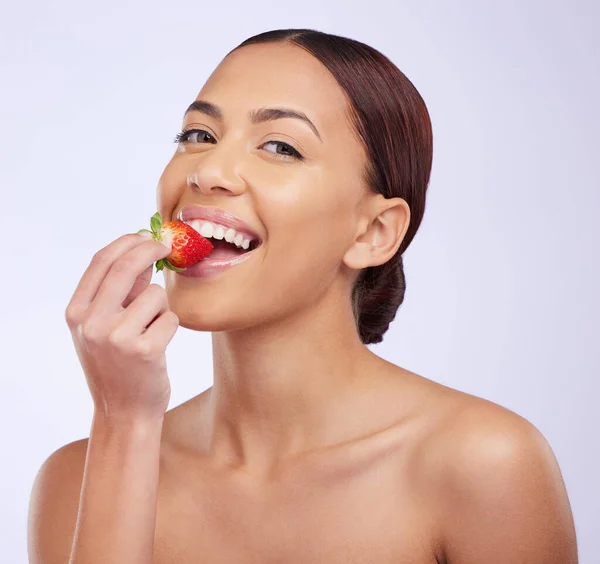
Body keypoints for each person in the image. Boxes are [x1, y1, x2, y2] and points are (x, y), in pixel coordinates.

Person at [27, 29, 578, 563]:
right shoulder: (78, 480)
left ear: (373, 233)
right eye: (197, 135)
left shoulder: (484, 465)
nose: (209, 171)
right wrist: (123, 424)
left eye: (280, 146)